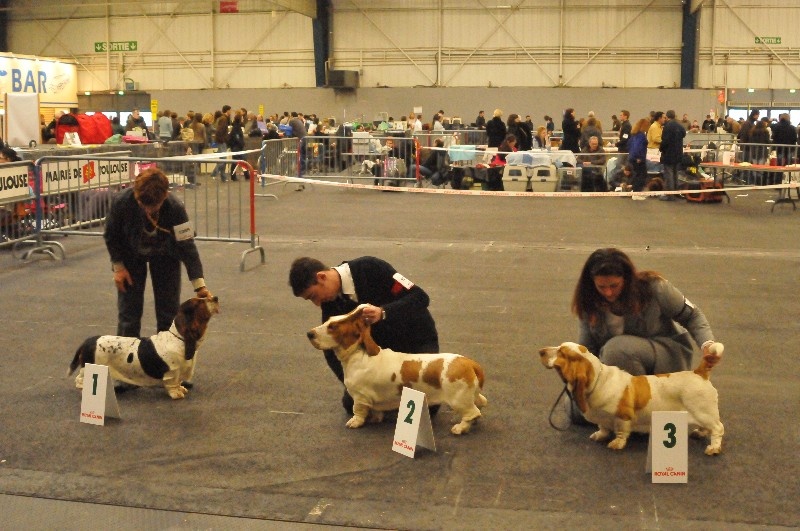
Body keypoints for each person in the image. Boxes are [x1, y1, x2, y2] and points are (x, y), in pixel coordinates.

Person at [289, 256, 440, 414]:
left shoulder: (371, 267)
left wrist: (383, 312)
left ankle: (394, 400)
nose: (317, 303)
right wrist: (353, 384)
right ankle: (393, 398)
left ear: (321, 277)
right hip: (381, 357)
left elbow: (420, 297)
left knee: (427, 406)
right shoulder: (330, 304)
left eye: (313, 296)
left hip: (415, 341)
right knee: (351, 403)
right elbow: (330, 349)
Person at [572, 248, 722, 377]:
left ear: (627, 278)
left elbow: (692, 316)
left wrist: (707, 344)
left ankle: (639, 404)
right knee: (575, 403)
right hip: (618, 364)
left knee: (617, 350)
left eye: (614, 285)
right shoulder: (589, 301)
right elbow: (587, 351)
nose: (608, 292)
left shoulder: (655, 288)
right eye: (601, 287)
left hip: (665, 357)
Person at [104, 167, 212, 340]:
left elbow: (187, 246)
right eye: (142, 204)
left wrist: (200, 286)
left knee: (168, 315)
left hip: (166, 256)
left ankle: (164, 363)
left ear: (165, 195)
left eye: (153, 206)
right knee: (128, 316)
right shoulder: (121, 202)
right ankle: (124, 363)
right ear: (135, 192)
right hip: (131, 255)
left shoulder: (176, 208)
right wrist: (118, 267)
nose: (148, 211)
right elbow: (111, 235)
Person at [658, 109, 686, 200]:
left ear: (667, 116)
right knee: (675, 173)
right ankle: (676, 192)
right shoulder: (680, 125)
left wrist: (661, 148)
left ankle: (670, 194)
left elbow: (665, 141)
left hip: (669, 153)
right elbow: (684, 134)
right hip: (678, 153)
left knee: (669, 173)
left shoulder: (667, 126)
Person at [627, 117, 650, 197]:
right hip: (638, 158)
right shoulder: (641, 135)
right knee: (642, 175)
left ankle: (634, 190)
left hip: (632, 157)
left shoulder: (634, 134)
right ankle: (637, 192)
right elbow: (638, 147)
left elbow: (629, 145)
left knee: (636, 175)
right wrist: (639, 157)